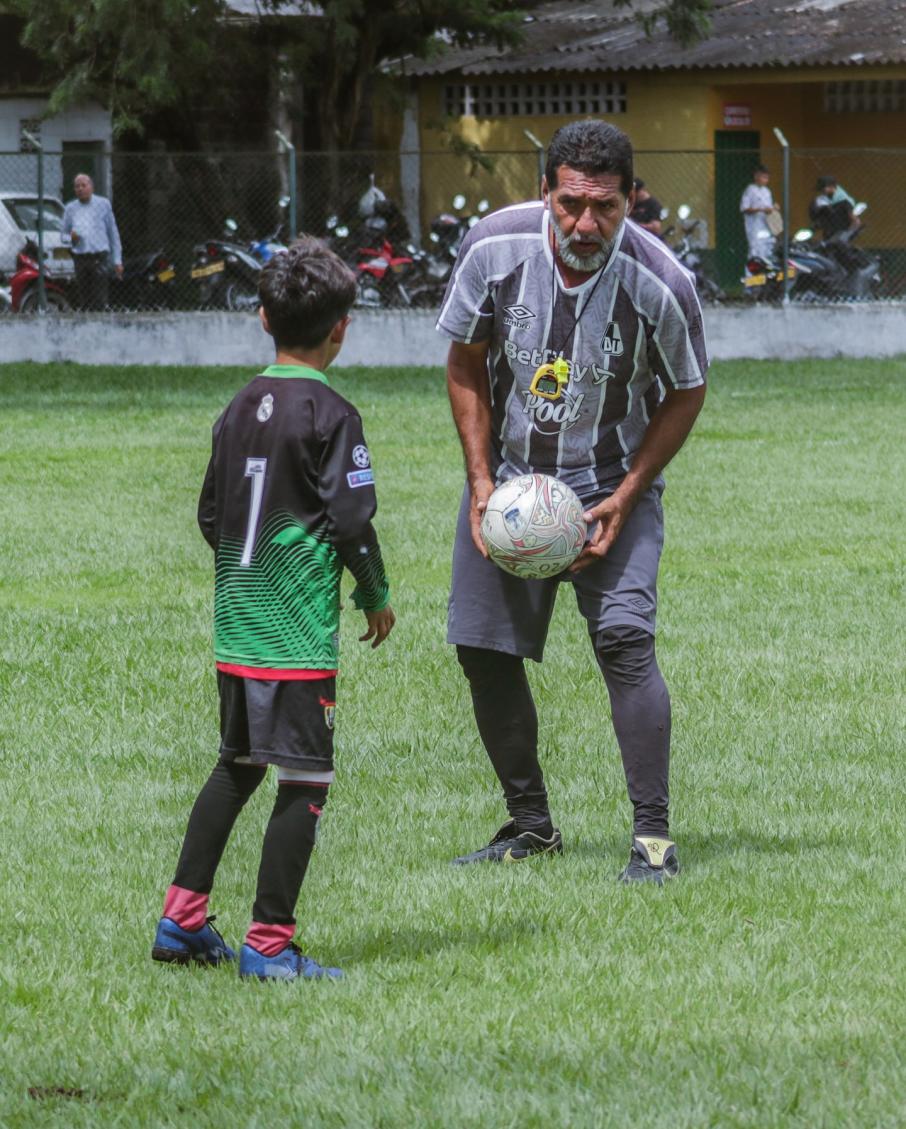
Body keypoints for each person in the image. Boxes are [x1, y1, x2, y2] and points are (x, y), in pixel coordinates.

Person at [436, 120, 707, 883]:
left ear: (630, 200)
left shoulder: (663, 282)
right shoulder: (492, 247)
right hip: (514, 485)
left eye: (606, 207)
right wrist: (483, 482)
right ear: (545, 190)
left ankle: (653, 842)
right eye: (570, 204)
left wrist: (626, 494)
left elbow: (688, 390)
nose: (585, 224)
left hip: (612, 487)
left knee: (625, 641)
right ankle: (530, 827)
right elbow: (464, 360)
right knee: (482, 650)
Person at [151, 237, 395, 981]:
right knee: (304, 781)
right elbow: (351, 522)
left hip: (237, 629)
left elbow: (210, 514)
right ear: (341, 328)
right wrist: (375, 594)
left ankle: (182, 919)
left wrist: (244, 579)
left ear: (262, 317)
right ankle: (268, 944)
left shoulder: (236, 407)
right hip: (293, 639)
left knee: (237, 765)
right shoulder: (332, 411)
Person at [61, 173, 123, 310]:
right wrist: (71, 238)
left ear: (91, 187)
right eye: (77, 186)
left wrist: (117, 260)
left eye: (84, 185)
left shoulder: (103, 204)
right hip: (80, 259)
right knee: (84, 300)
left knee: (100, 299)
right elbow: (63, 237)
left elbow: (113, 233)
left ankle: (101, 326)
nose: (80, 189)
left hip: (99, 258)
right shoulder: (70, 208)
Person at [739, 165, 776, 259]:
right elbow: (744, 208)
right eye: (763, 177)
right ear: (756, 176)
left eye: (767, 178)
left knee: (767, 250)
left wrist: (773, 209)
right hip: (754, 227)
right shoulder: (750, 189)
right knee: (755, 251)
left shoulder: (767, 191)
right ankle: (751, 273)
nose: (766, 180)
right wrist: (760, 209)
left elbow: (769, 208)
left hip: (766, 226)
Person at [809, 175, 861, 241]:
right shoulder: (825, 199)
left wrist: (846, 234)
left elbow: (855, 220)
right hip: (830, 230)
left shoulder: (843, 201)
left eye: (823, 188)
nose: (821, 191)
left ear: (832, 187)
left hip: (841, 231)